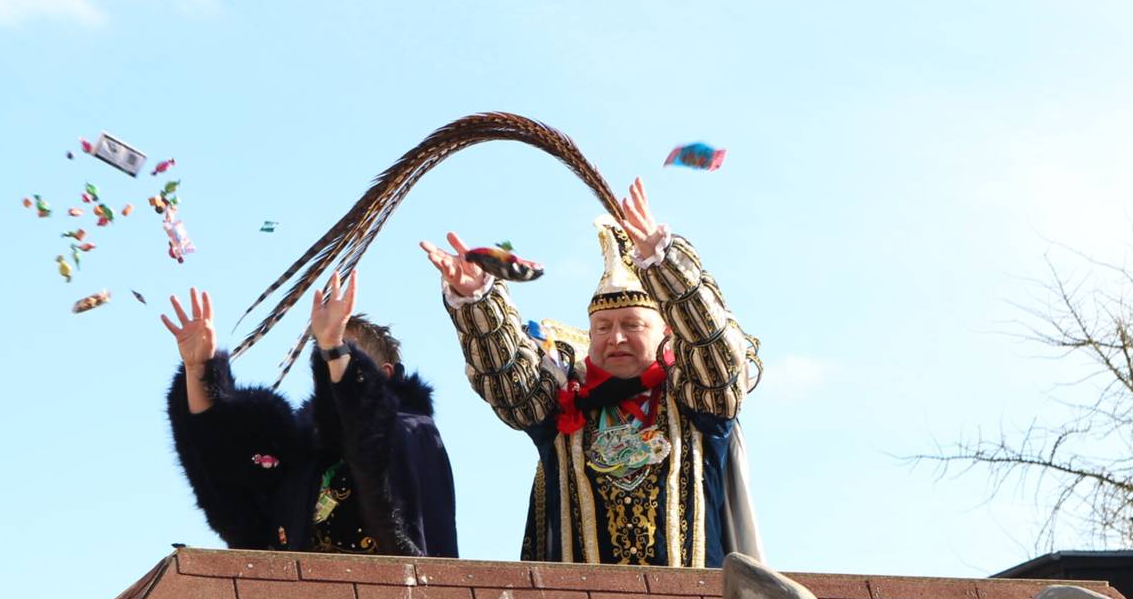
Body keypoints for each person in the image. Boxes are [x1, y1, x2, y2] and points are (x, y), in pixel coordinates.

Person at [421, 178, 760, 567]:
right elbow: (507, 379)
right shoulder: (562, 400)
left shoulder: (692, 396)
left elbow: (714, 352)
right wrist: (475, 300)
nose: (615, 338)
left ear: (665, 331)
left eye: (632, 325)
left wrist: (665, 264)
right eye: (603, 327)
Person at [164, 272, 458, 557]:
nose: (334, 364)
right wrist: (198, 370)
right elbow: (229, 493)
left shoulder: (412, 433)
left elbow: (369, 432)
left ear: (384, 373)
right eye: (327, 354)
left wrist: (333, 347)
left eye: (347, 352)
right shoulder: (303, 459)